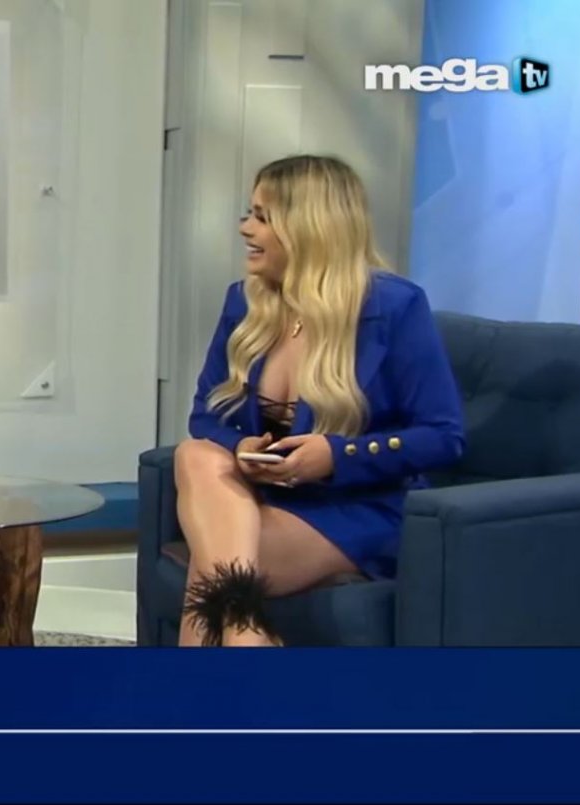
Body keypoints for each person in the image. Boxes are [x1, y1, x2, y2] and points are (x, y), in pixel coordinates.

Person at [176, 155, 465, 647]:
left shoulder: (394, 307)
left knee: (213, 561)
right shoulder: (245, 302)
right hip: (270, 498)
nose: (246, 228)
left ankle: (235, 650)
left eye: (263, 217)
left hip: (359, 506)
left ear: (309, 227)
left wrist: (336, 456)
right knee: (195, 454)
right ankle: (245, 637)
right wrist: (242, 447)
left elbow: (444, 436)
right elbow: (204, 416)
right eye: (249, 213)